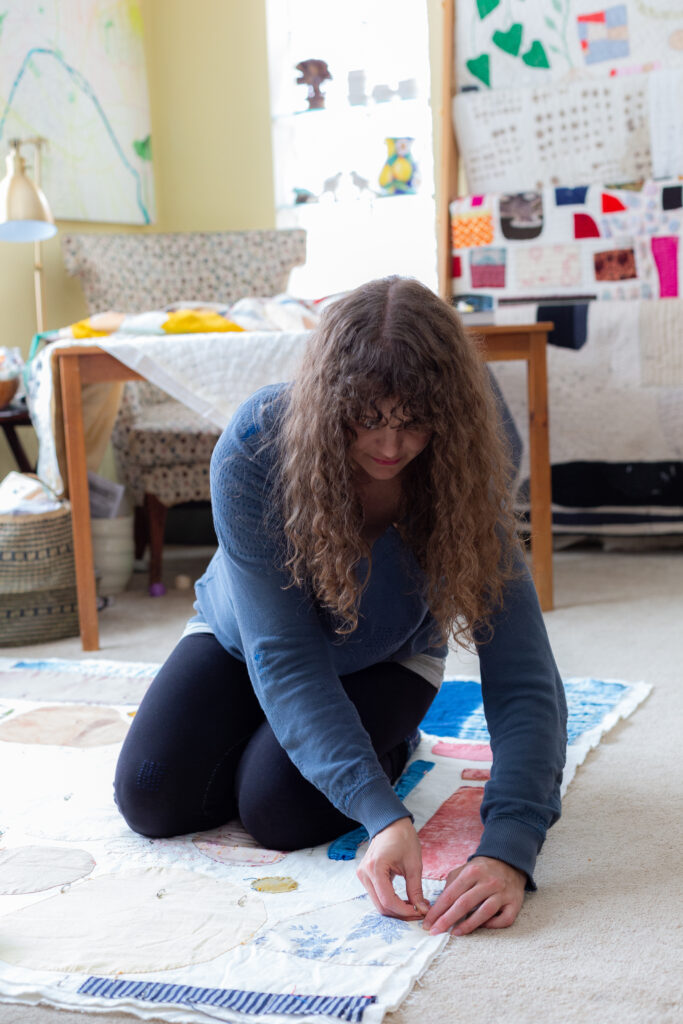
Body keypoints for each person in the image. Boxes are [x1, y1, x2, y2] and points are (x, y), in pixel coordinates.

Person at [114, 277, 567, 937]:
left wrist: (509, 846)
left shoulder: (472, 457)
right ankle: (299, 745)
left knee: (277, 810)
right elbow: (283, 655)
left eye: (414, 422)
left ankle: (388, 743)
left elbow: (521, 670)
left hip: (384, 656)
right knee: (151, 795)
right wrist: (383, 816)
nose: (390, 446)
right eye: (367, 418)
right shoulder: (255, 447)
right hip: (250, 640)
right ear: (329, 401)